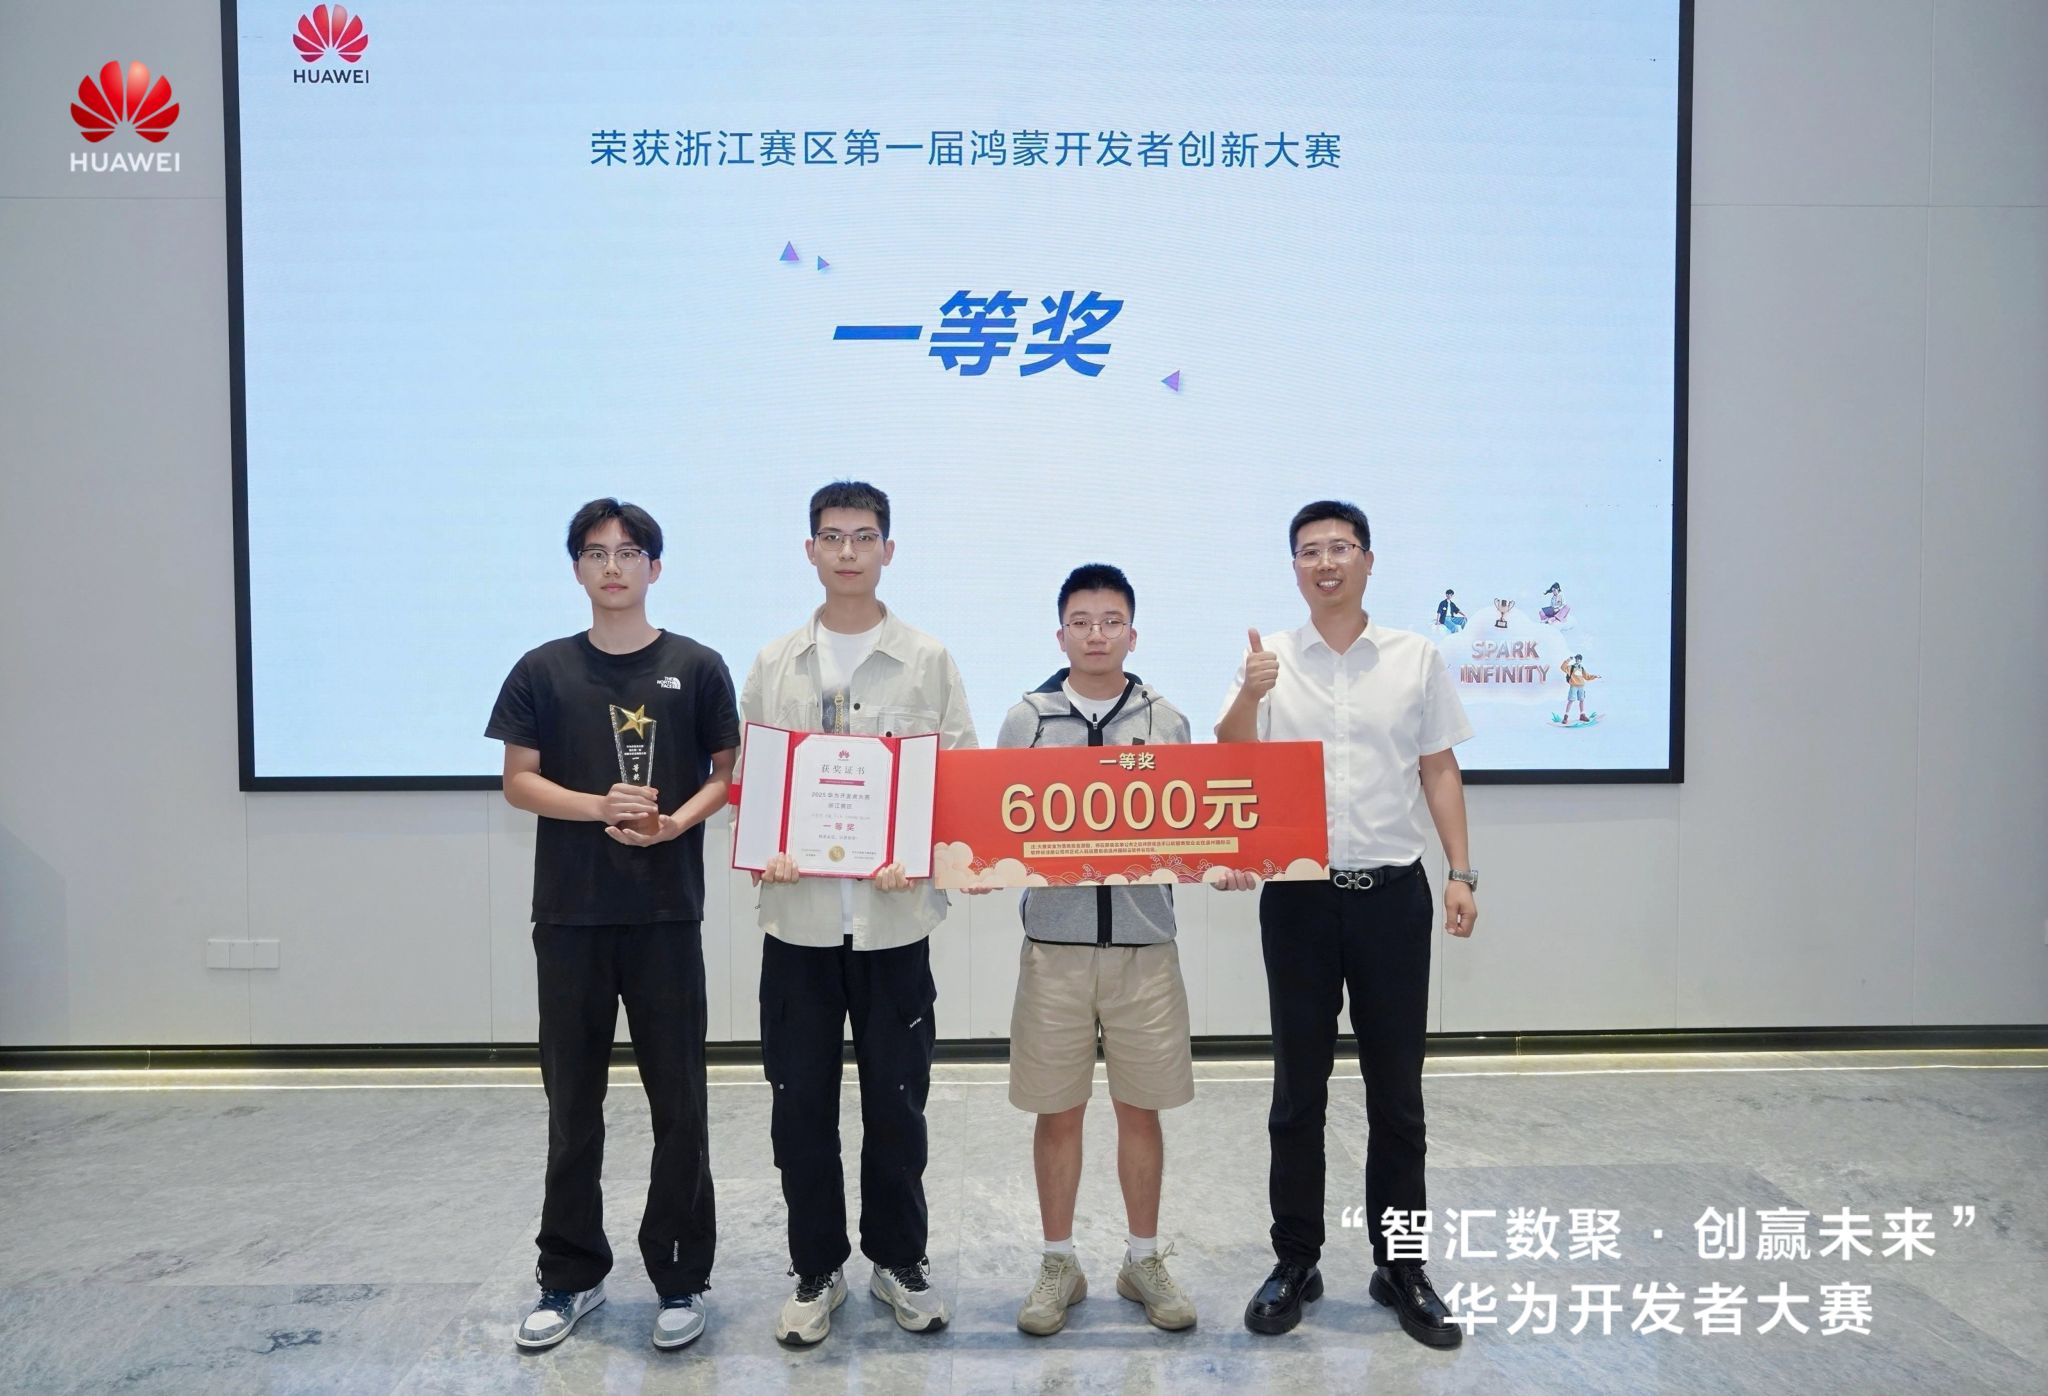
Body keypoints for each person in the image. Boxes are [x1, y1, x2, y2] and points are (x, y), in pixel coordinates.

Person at [1216, 499, 1480, 1349]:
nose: (1325, 563)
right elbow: (1231, 757)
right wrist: (1249, 696)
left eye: (1340, 547)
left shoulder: (1415, 657)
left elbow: (1438, 768)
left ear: (1368, 559)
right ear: (1293, 567)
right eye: (1309, 551)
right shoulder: (1269, 659)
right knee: (1298, 1091)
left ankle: (1401, 1267)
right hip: (1298, 898)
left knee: (1396, 1095)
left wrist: (1461, 872)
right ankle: (1295, 1261)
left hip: (1393, 898)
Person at [487, 498, 738, 1353]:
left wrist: (675, 824)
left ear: (654, 567)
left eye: (629, 552)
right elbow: (519, 781)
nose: (613, 567)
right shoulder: (543, 669)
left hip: (666, 914)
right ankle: (570, 1276)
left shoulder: (697, 666)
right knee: (573, 1105)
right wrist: (598, 805)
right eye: (595, 553)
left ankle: (680, 1277)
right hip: (571, 915)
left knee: (681, 1102)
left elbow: (726, 773)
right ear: (577, 570)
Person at [738, 480, 977, 1346]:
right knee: (799, 1108)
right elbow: (752, 787)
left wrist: (920, 852)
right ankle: (816, 1269)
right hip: (798, 924)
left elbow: (957, 784)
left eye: (864, 536)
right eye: (833, 537)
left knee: (898, 1105)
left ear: (888, 549)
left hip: (894, 924)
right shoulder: (775, 663)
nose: (848, 551)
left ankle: (899, 1262)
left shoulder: (928, 660)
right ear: (810, 550)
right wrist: (768, 844)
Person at [993, 563, 1199, 1337]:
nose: (1096, 635)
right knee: (1058, 1113)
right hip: (1055, 949)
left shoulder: (1165, 721)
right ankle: (1059, 1263)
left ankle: (1143, 1258)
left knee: (1141, 1110)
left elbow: (1195, 828)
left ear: (1132, 634)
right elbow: (996, 827)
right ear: (1061, 634)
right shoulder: (1028, 719)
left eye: (1111, 621)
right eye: (1081, 622)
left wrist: (1230, 859)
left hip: (1146, 949)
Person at [1561, 653, 1599, 723]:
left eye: (1579, 659)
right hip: (1574, 686)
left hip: (1581, 686)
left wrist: (1595, 676)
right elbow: (1563, 667)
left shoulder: (1581, 668)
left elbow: (1587, 677)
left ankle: (1582, 715)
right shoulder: (1571, 667)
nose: (1578, 660)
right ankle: (1566, 717)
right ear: (1575, 659)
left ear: (1581, 660)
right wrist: (1568, 659)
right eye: (1577, 659)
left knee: (1582, 700)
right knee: (1571, 700)